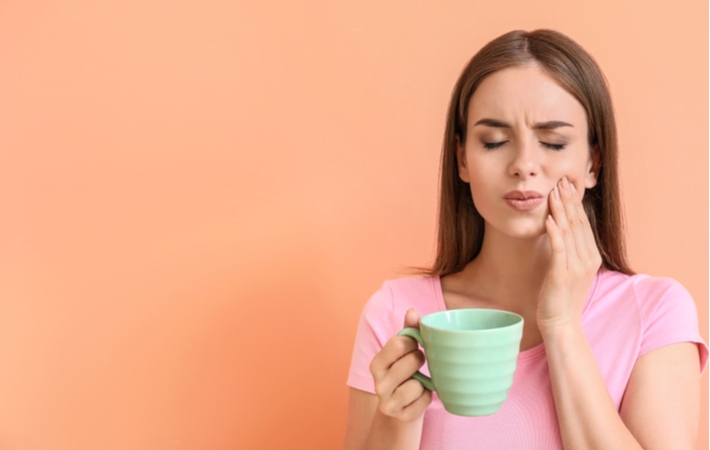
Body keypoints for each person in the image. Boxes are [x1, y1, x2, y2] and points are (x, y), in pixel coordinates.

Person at [342, 29, 708, 450]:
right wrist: (395, 420)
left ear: (594, 162)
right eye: (494, 141)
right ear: (462, 159)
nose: (523, 165)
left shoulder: (655, 312)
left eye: (553, 142)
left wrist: (561, 325)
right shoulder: (395, 314)